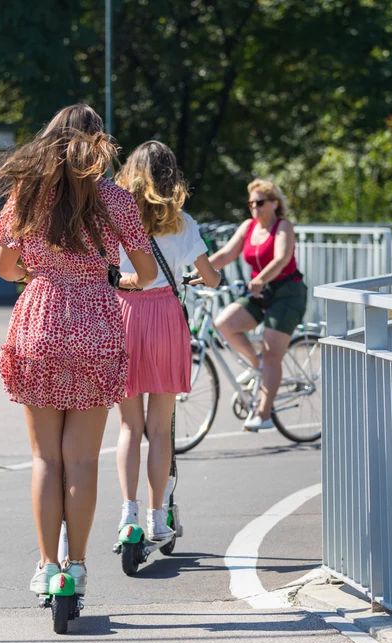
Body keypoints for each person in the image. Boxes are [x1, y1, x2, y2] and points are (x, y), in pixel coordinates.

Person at [0, 104, 158, 598]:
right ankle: (76, 568)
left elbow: (3, 267)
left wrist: (38, 273)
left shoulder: (28, 193)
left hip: (39, 324)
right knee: (81, 461)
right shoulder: (116, 200)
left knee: (45, 461)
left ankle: (46, 565)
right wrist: (115, 277)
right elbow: (145, 275)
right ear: (97, 144)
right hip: (97, 328)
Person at [114, 141, 221, 538]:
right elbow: (209, 277)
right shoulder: (182, 221)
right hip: (165, 317)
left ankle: (127, 515)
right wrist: (196, 278)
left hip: (123, 314)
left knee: (128, 427)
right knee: (160, 429)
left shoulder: (116, 217)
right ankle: (157, 518)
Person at [206, 179, 307, 431]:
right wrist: (197, 271)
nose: (254, 207)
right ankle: (256, 364)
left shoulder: (283, 226)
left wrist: (261, 278)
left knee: (272, 351)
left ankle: (264, 415)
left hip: (287, 293)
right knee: (224, 323)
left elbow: (282, 258)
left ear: (274, 204)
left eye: (260, 203)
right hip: (259, 293)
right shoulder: (248, 227)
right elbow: (226, 255)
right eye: (251, 203)